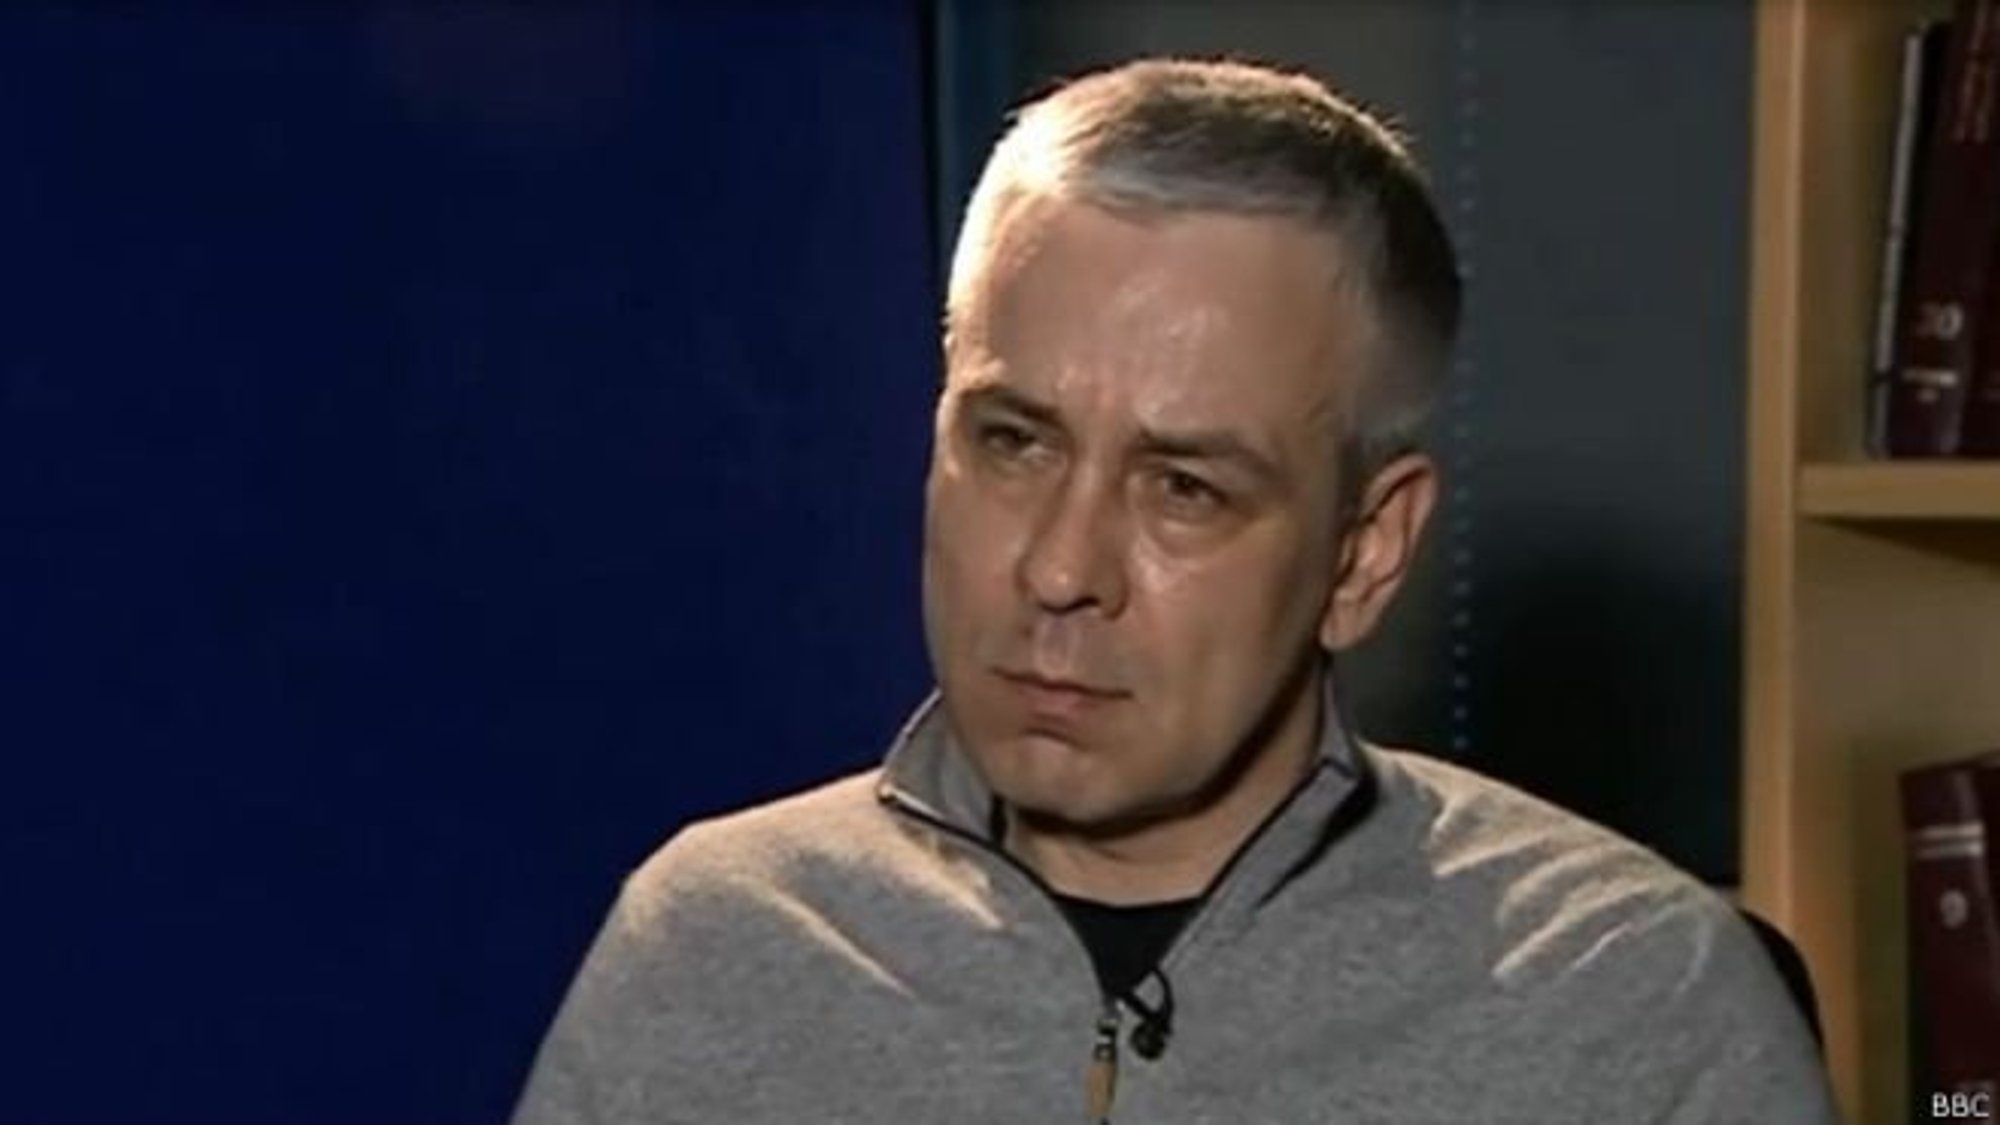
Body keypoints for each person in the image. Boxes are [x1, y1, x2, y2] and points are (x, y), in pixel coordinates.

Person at [511, 57, 1839, 1124]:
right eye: (1013, 443)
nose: (1059, 570)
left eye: (1184, 489)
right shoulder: (714, 952)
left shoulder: (1632, 1006)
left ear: (1366, 552)